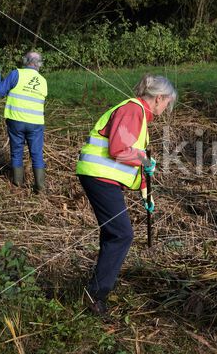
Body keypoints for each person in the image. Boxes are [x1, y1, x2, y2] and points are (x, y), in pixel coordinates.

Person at [76, 74, 177, 316]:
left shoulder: (138, 114)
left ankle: (95, 292)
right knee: (121, 234)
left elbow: (131, 157)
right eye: (168, 103)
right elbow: (119, 150)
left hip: (104, 178)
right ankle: (96, 297)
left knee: (114, 234)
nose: (167, 108)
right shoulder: (133, 110)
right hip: (99, 176)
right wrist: (144, 159)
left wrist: (146, 194)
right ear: (159, 98)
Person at [0, 52, 48, 193]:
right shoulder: (43, 81)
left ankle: (17, 185)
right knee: (36, 154)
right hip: (36, 123)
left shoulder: (16, 74)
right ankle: (40, 188)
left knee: (17, 152)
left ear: (25, 61)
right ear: (39, 64)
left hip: (16, 120)